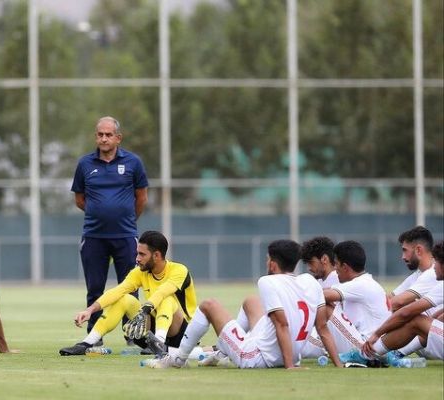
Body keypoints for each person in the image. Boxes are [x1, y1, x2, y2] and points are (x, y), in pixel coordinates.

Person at [148, 240, 342, 369]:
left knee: (209, 304)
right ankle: (222, 352)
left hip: (257, 357)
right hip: (287, 354)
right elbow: (322, 327)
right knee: (251, 301)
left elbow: (281, 324)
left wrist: (290, 367)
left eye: (268, 259)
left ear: (273, 263)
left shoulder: (268, 281)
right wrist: (338, 365)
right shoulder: (309, 282)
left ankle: (178, 359)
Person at [59, 231, 196, 356]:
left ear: (157, 255)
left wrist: (145, 308)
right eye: (137, 253)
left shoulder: (179, 270)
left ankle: (158, 342)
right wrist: (90, 310)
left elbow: (162, 292)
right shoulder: (140, 272)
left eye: (142, 254)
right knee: (124, 298)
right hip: (151, 331)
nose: (137, 258)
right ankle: (86, 343)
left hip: (182, 335)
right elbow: (118, 290)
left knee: (166, 299)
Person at [71, 116, 148, 335]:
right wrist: (100, 213)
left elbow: (141, 198)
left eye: (108, 135)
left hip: (125, 236)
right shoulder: (85, 164)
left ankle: (133, 335)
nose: (103, 139)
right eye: (100, 134)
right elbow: (79, 199)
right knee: (95, 289)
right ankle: (94, 336)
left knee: (130, 289)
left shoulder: (133, 162)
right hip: (94, 236)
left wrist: (127, 219)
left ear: (118, 138)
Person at [343, 240, 444, 364]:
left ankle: (365, 355)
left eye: (437, 262)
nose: (434, 266)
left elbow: (404, 310)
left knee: (415, 318)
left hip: (422, 338)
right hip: (427, 339)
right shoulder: (417, 276)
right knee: (417, 318)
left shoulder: (434, 279)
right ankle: (389, 353)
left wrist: (376, 334)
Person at [299, 237, 364, 358]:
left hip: (345, 337)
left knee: (294, 340)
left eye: (311, 262)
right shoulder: (319, 282)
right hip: (331, 334)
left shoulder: (338, 279)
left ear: (324, 259)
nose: (309, 267)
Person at [323, 241, 390, 340]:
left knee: (324, 306)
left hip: (367, 345)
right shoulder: (364, 281)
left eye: (336, 264)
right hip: (374, 343)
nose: (335, 268)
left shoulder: (360, 284)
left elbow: (322, 295)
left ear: (345, 267)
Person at [389, 226, 438, 312]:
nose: (402, 257)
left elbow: (397, 302)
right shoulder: (418, 274)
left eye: (405, 250)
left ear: (418, 250)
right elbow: (391, 297)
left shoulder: (434, 273)